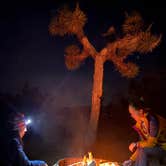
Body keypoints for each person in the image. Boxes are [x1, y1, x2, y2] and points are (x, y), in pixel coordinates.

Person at [0, 101, 48, 166]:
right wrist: (42, 164)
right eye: (24, 126)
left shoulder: (8, 138)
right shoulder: (13, 142)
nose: (25, 130)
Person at [123, 96, 166, 166]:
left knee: (143, 151)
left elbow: (151, 144)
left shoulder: (153, 120)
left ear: (140, 111)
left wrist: (136, 144)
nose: (131, 116)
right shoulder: (140, 124)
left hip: (164, 148)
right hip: (156, 148)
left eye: (132, 113)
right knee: (141, 150)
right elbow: (142, 145)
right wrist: (131, 159)